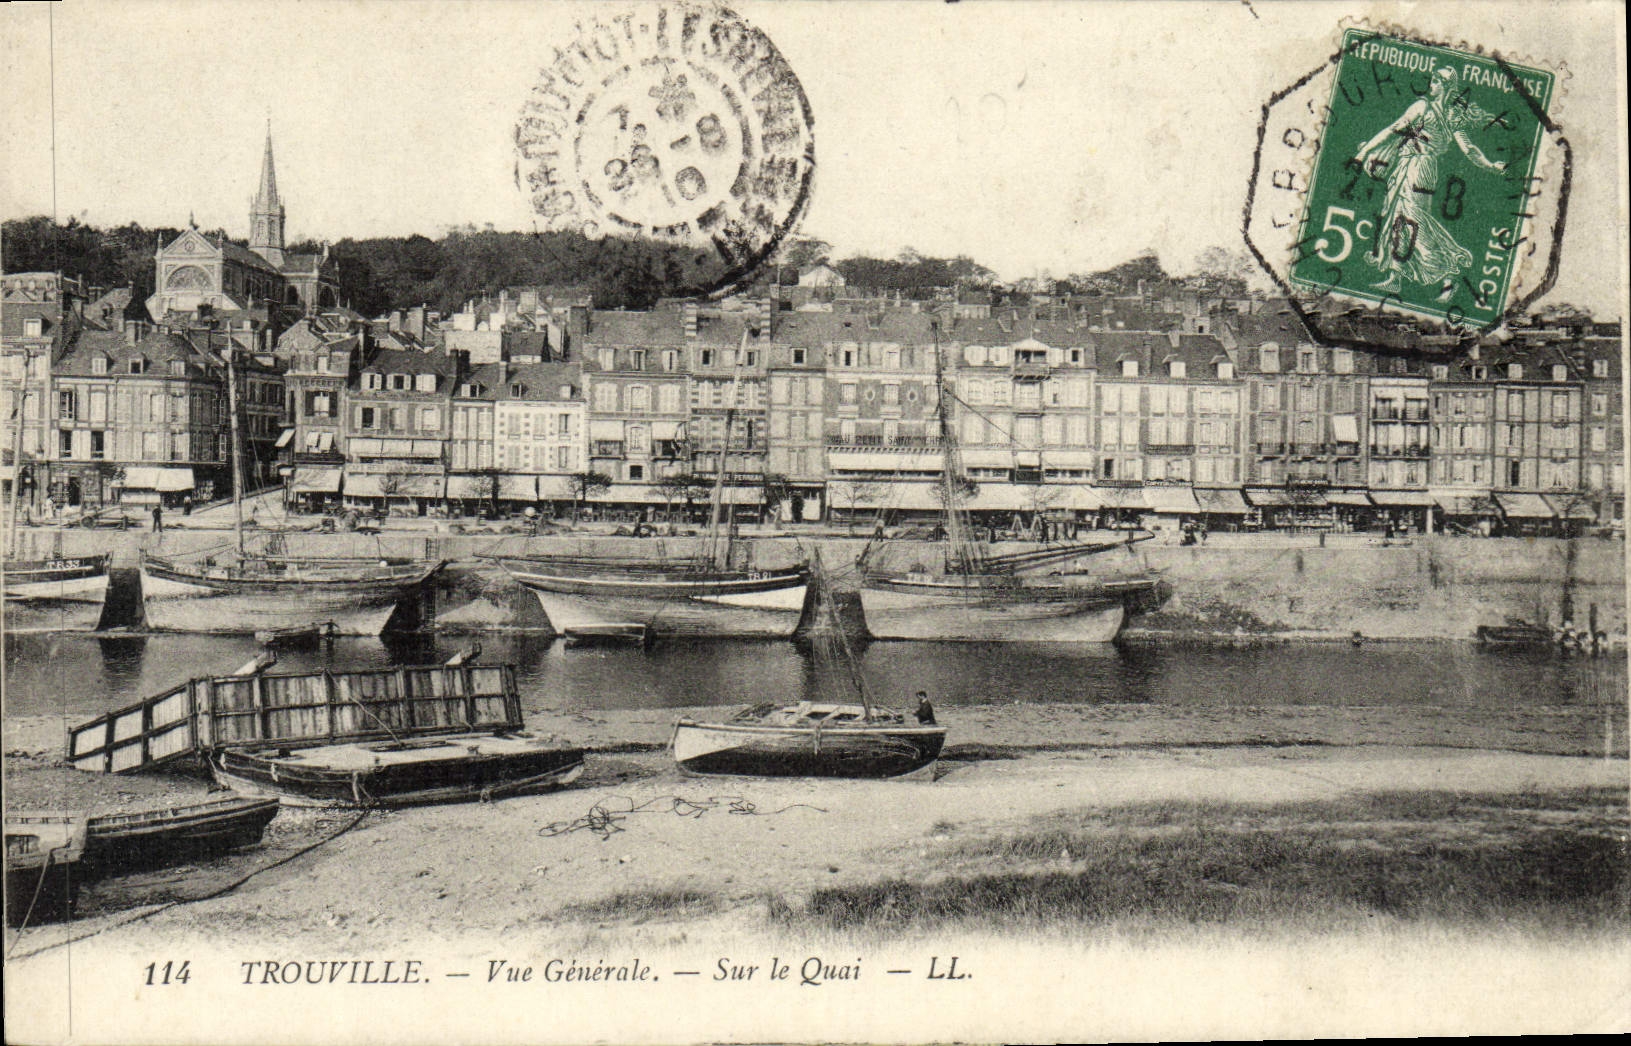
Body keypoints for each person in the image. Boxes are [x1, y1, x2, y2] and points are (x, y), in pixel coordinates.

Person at [1352, 66, 1509, 300]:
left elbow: (1392, 130)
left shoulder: (1423, 107)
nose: (1431, 85)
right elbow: (1470, 150)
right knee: (1400, 218)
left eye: (1435, 82)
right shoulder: (1452, 116)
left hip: (1415, 167)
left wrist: (1364, 151)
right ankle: (1396, 277)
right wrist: (1490, 165)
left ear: (1445, 87)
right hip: (1421, 168)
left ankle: (1449, 269)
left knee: (1414, 221)